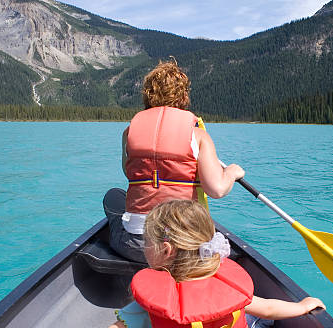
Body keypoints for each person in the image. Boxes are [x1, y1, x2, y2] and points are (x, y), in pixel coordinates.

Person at [0, 200, 325, 328]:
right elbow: (267, 308)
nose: (145, 247)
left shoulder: (145, 309)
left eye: (148, 242)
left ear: (165, 251)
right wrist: (301, 306)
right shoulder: (228, 292)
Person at [103, 59, 245, 263]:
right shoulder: (197, 135)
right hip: (185, 250)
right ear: (183, 96)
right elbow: (217, 190)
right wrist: (231, 172)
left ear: (147, 95)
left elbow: (130, 172)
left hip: (138, 248)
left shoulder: (129, 132)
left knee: (113, 196)